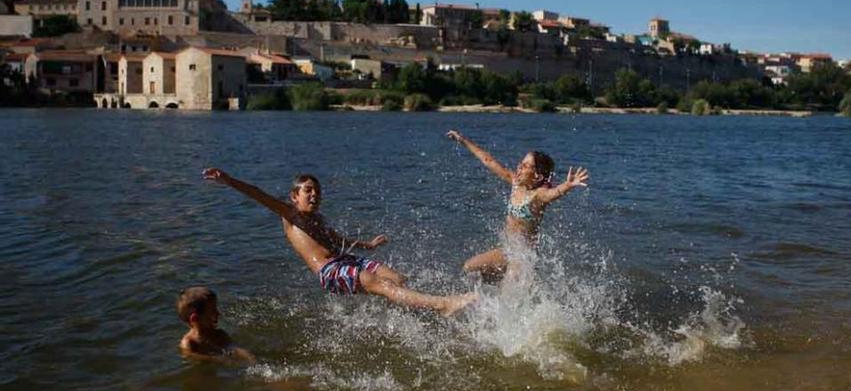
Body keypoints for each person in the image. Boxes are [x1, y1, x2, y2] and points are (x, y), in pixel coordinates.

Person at [201, 169, 477, 316]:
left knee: (396, 278)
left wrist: (367, 245)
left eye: (317, 192)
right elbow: (257, 193)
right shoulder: (290, 215)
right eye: (307, 191)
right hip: (329, 272)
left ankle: (414, 311)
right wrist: (228, 180)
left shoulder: (317, 219)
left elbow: (336, 239)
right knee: (376, 283)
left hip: (347, 260)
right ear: (293, 196)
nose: (313, 196)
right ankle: (443, 305)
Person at [446, 130, 589, 280]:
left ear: (537, 176)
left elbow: (554, 193)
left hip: (523, 257)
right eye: (520, 163)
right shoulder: (515, 183)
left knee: (508, 296)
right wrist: (463, 140)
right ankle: (487, 296)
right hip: (508, 251)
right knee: (469, 267)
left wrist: (568, 185)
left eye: (525, 165)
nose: (519, 167)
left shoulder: (538, 195)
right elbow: (488, 161)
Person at [177, 286, 255, 363]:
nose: (218, 313)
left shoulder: (219, 334)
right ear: (195, 319)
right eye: (213, 311)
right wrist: (217, 359)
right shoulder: (189, 342)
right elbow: (191, 356)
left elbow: (235, 348)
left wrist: (250, 357)